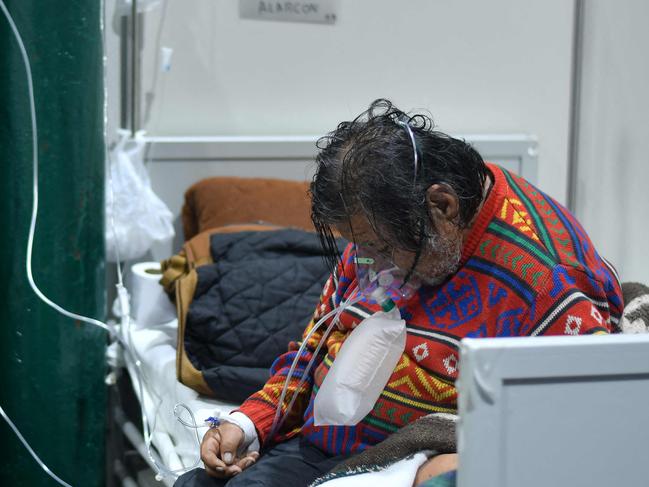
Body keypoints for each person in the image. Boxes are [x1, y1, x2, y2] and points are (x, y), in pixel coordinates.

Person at [175, 99, 623, 487]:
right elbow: (313, 347)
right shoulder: (378, 229)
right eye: (360, 247)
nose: (369, 266)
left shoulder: (546, 280)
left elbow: (578, 431)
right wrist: (248, 422)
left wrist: (446, 467)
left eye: (383, 248)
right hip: (325, 446)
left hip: (411, 463)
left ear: (443, 207)